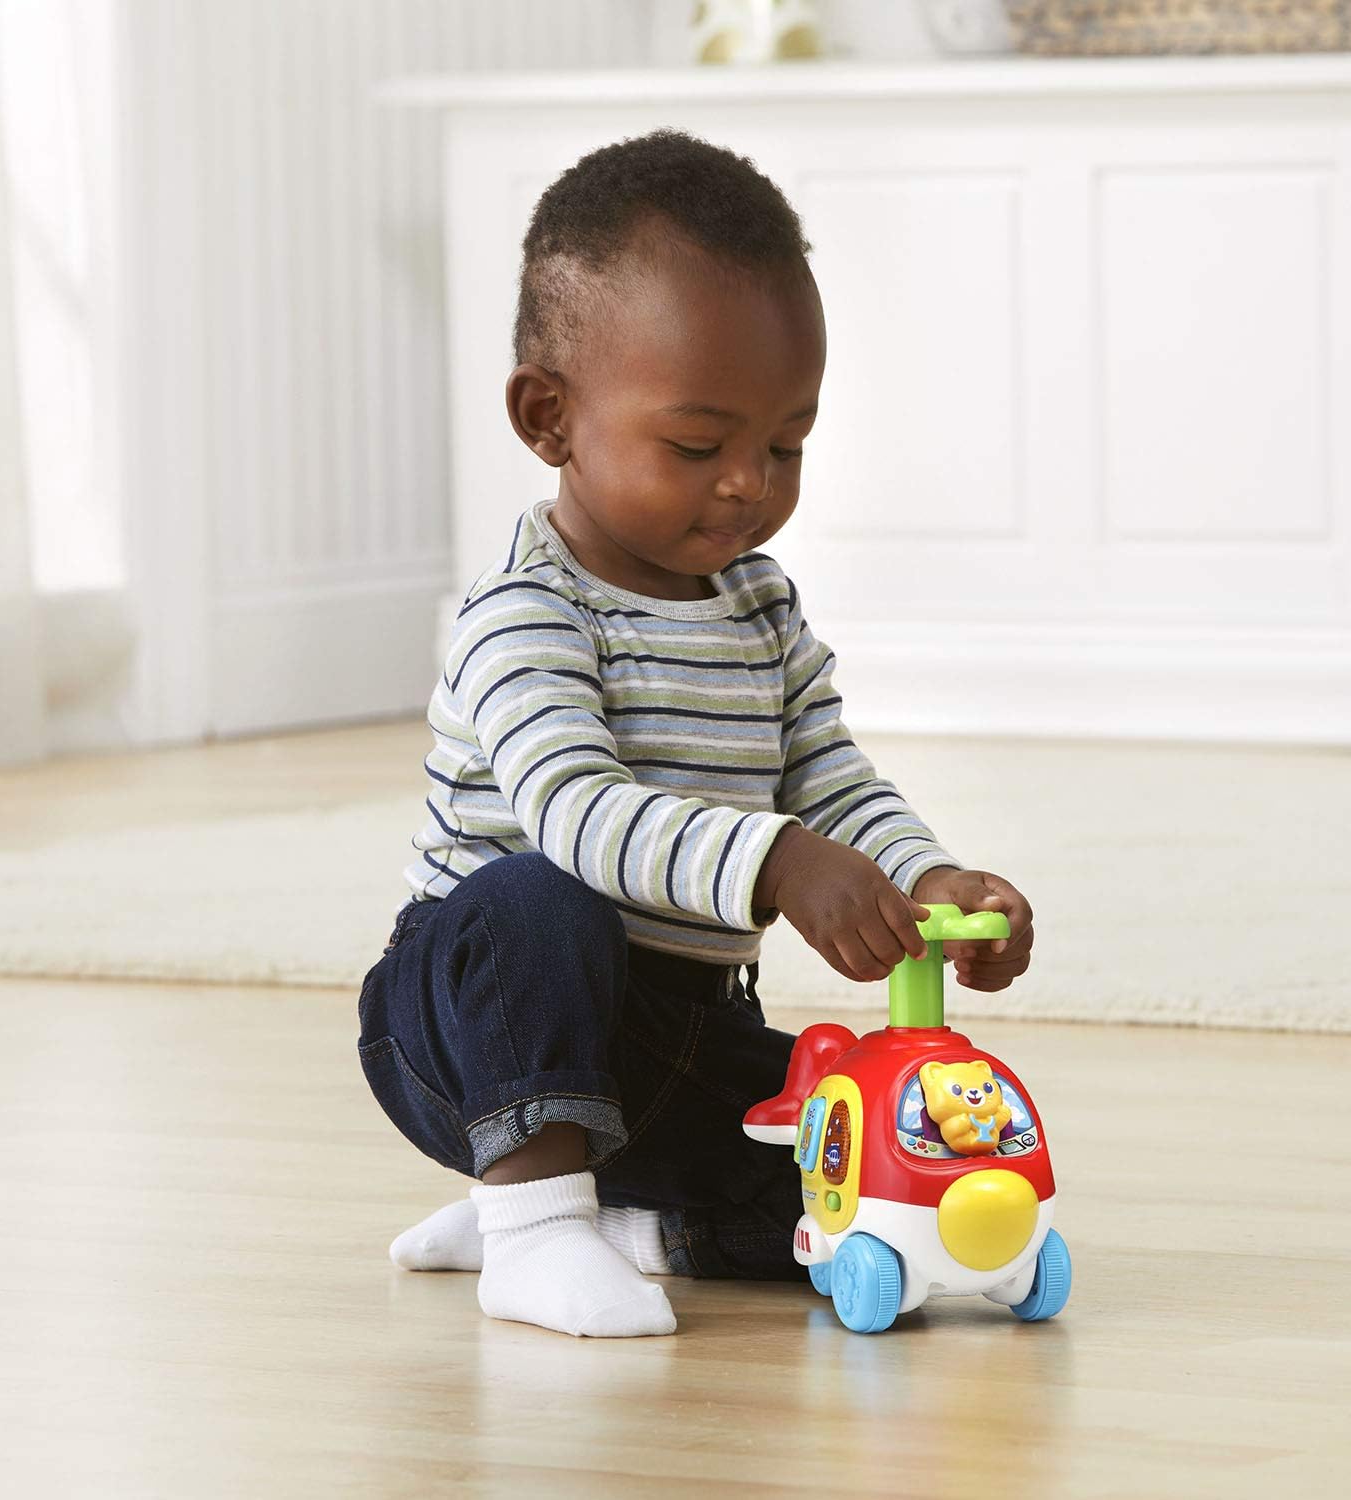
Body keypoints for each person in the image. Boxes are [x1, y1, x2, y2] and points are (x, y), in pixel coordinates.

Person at [355, 128, 1034, 1339]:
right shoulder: (524, 613)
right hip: (475, 1024)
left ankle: (614, 1222)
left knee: (839, 1170)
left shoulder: (759, 608)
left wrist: (925, 879)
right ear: (549, 417)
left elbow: (829, 777)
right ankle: (530, 1218)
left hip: (678, 1033)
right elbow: (579, 813)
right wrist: (778, 862)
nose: (747, 483)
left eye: (785, 445)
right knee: (536, 897)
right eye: (697, 445)